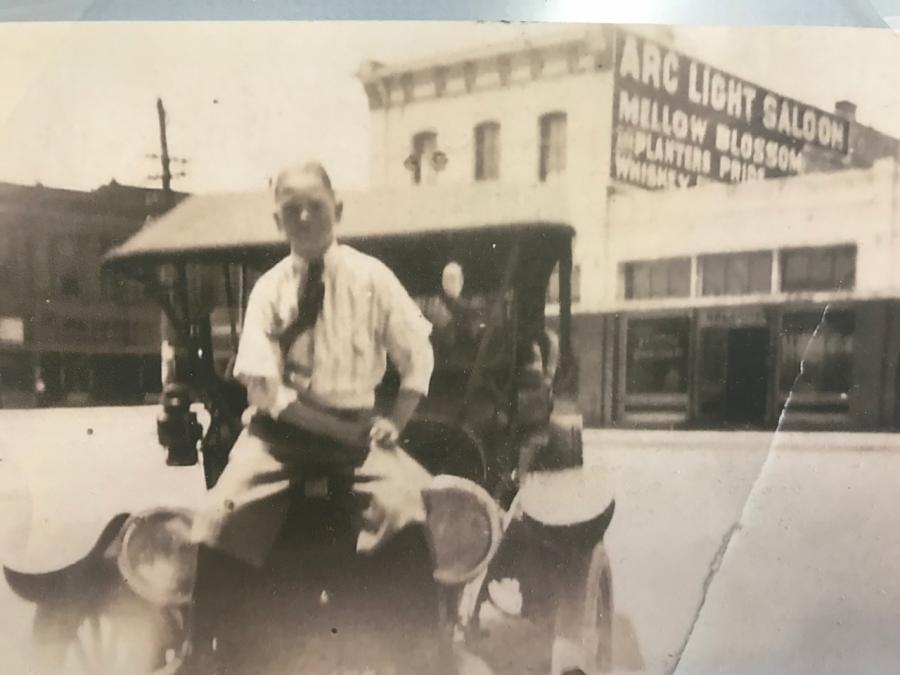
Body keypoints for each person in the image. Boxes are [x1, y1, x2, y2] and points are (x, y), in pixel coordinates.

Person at [188, 161, 438, 672]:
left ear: (338, 211)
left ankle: (423, 656)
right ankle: (201, 652)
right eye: (290, 210)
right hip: (278, 437)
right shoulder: (269, 290)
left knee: (408, 513)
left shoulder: (373, 278)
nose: (304, 218)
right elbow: (262, 386)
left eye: (316, 207)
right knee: (217, 518)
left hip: (358, 433)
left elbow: (417, 354)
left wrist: (397, 420)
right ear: (277, 222)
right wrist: (330, 429)